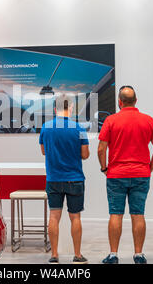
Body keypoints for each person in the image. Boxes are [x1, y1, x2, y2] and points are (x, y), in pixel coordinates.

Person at [97, 86, 153, 264]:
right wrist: (149, 168)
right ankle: (139, 254)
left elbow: (101, 149)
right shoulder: (148, 120)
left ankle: (113, 255)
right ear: (136, 101)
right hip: (141, 174)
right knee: (138, 214)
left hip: (116, 175)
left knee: (115, 214)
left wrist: (104, 168)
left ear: (120, 102)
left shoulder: (111, 121)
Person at [39, 94, 90, 264]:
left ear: (55, 109)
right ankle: (77, 255)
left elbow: (44, 151)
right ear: (72, 108)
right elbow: (85, 155)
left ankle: (54, 255)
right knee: (75, 217)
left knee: (54, 216)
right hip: (74, 178)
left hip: (53, 179)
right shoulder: (79, 129)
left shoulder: (45, 128)